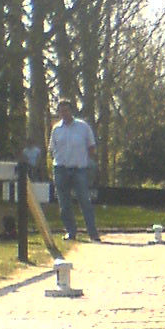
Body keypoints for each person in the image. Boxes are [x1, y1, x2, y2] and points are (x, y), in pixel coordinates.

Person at [48, 97, 100, 241]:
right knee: (64, 203)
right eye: (61, 111)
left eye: (66, 110)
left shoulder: (83, 127)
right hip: (60, 168)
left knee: (84, 201)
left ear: (71, 111)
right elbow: (51, 149)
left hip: (79, 169)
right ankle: (71, 232)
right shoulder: (56, 129)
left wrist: (84, 161)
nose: (64, 113)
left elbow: (91, 147)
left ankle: (93, 233)